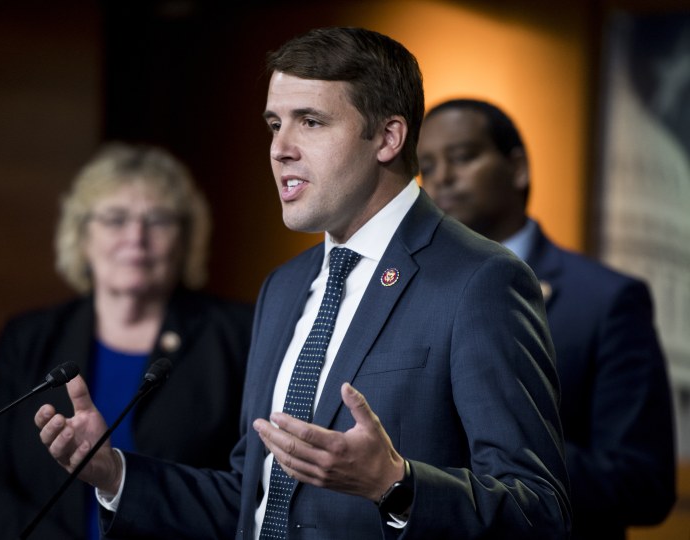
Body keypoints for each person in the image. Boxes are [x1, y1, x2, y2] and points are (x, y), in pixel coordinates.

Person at [35, 27, 572, 538]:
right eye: (275, 124)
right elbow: (254, 500)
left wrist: (395, 485)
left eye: (310, 122)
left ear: (388, 137)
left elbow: (538, 510)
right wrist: (113, 473)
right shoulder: (285, 288)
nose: (280, 148)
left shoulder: (481, 279)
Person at [0, 142, 253, 540]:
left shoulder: (238, 335)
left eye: (159, 220)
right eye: (115, 219)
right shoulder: (28, 337)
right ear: (82, 237)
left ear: (184, 239)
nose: (136, 237)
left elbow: (248, 486)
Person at [417, 98, 676, 540]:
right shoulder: (411, 290)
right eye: (426, 165)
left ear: (517, 167)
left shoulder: (606, 300)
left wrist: (498, 445)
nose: (442, 178)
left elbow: (644, 484)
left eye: (462, 157)